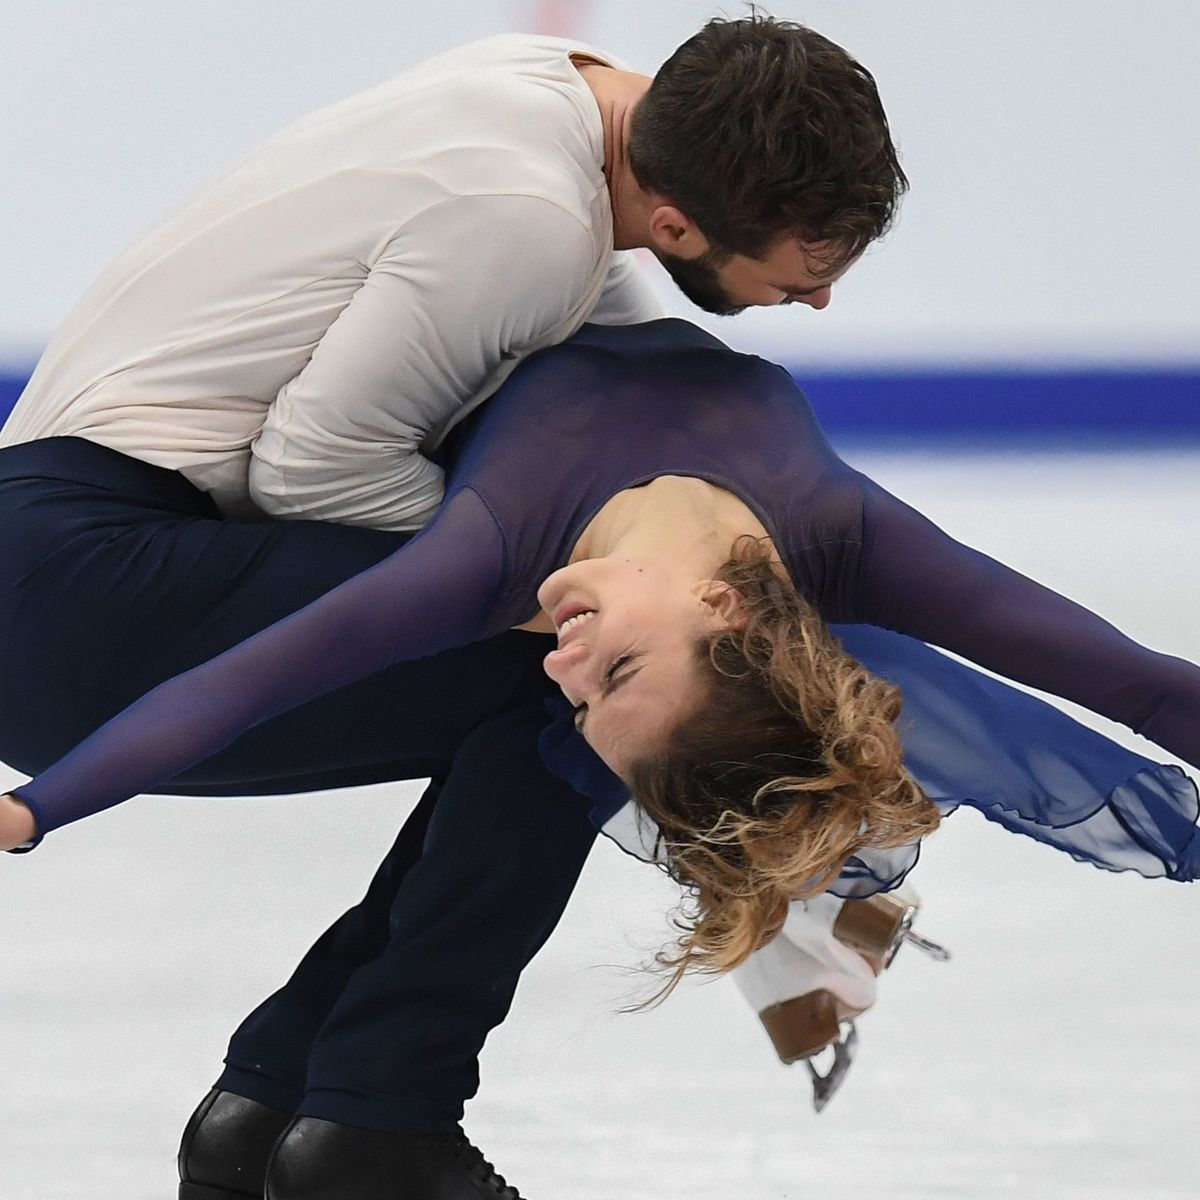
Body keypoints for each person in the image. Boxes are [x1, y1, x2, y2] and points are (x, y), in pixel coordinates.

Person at [0, 15, 913, 1198]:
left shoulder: (546, 87)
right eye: (802, 272)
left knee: (625, 655)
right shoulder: (527, 219)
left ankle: (289, 1105)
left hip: (62, 545)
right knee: (605, 679)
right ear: (680, 224)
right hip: (85, 596)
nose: (822, 300)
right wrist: (574, 595)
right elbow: (315, 470)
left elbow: (625, 352)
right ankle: (376, 1114)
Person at [4, 321, 1196, 1195]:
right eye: (613, 675)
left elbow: (1148, 683)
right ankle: (358, 1107)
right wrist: (45, 806)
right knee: (549, 711)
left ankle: (322, 1098)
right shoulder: (835, 535)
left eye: (593, 692)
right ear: (733, 605)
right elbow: (1135, 679)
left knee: (553, 724)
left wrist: (37, 810)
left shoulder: (524, 578)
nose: (566, 666)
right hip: (222, 461)